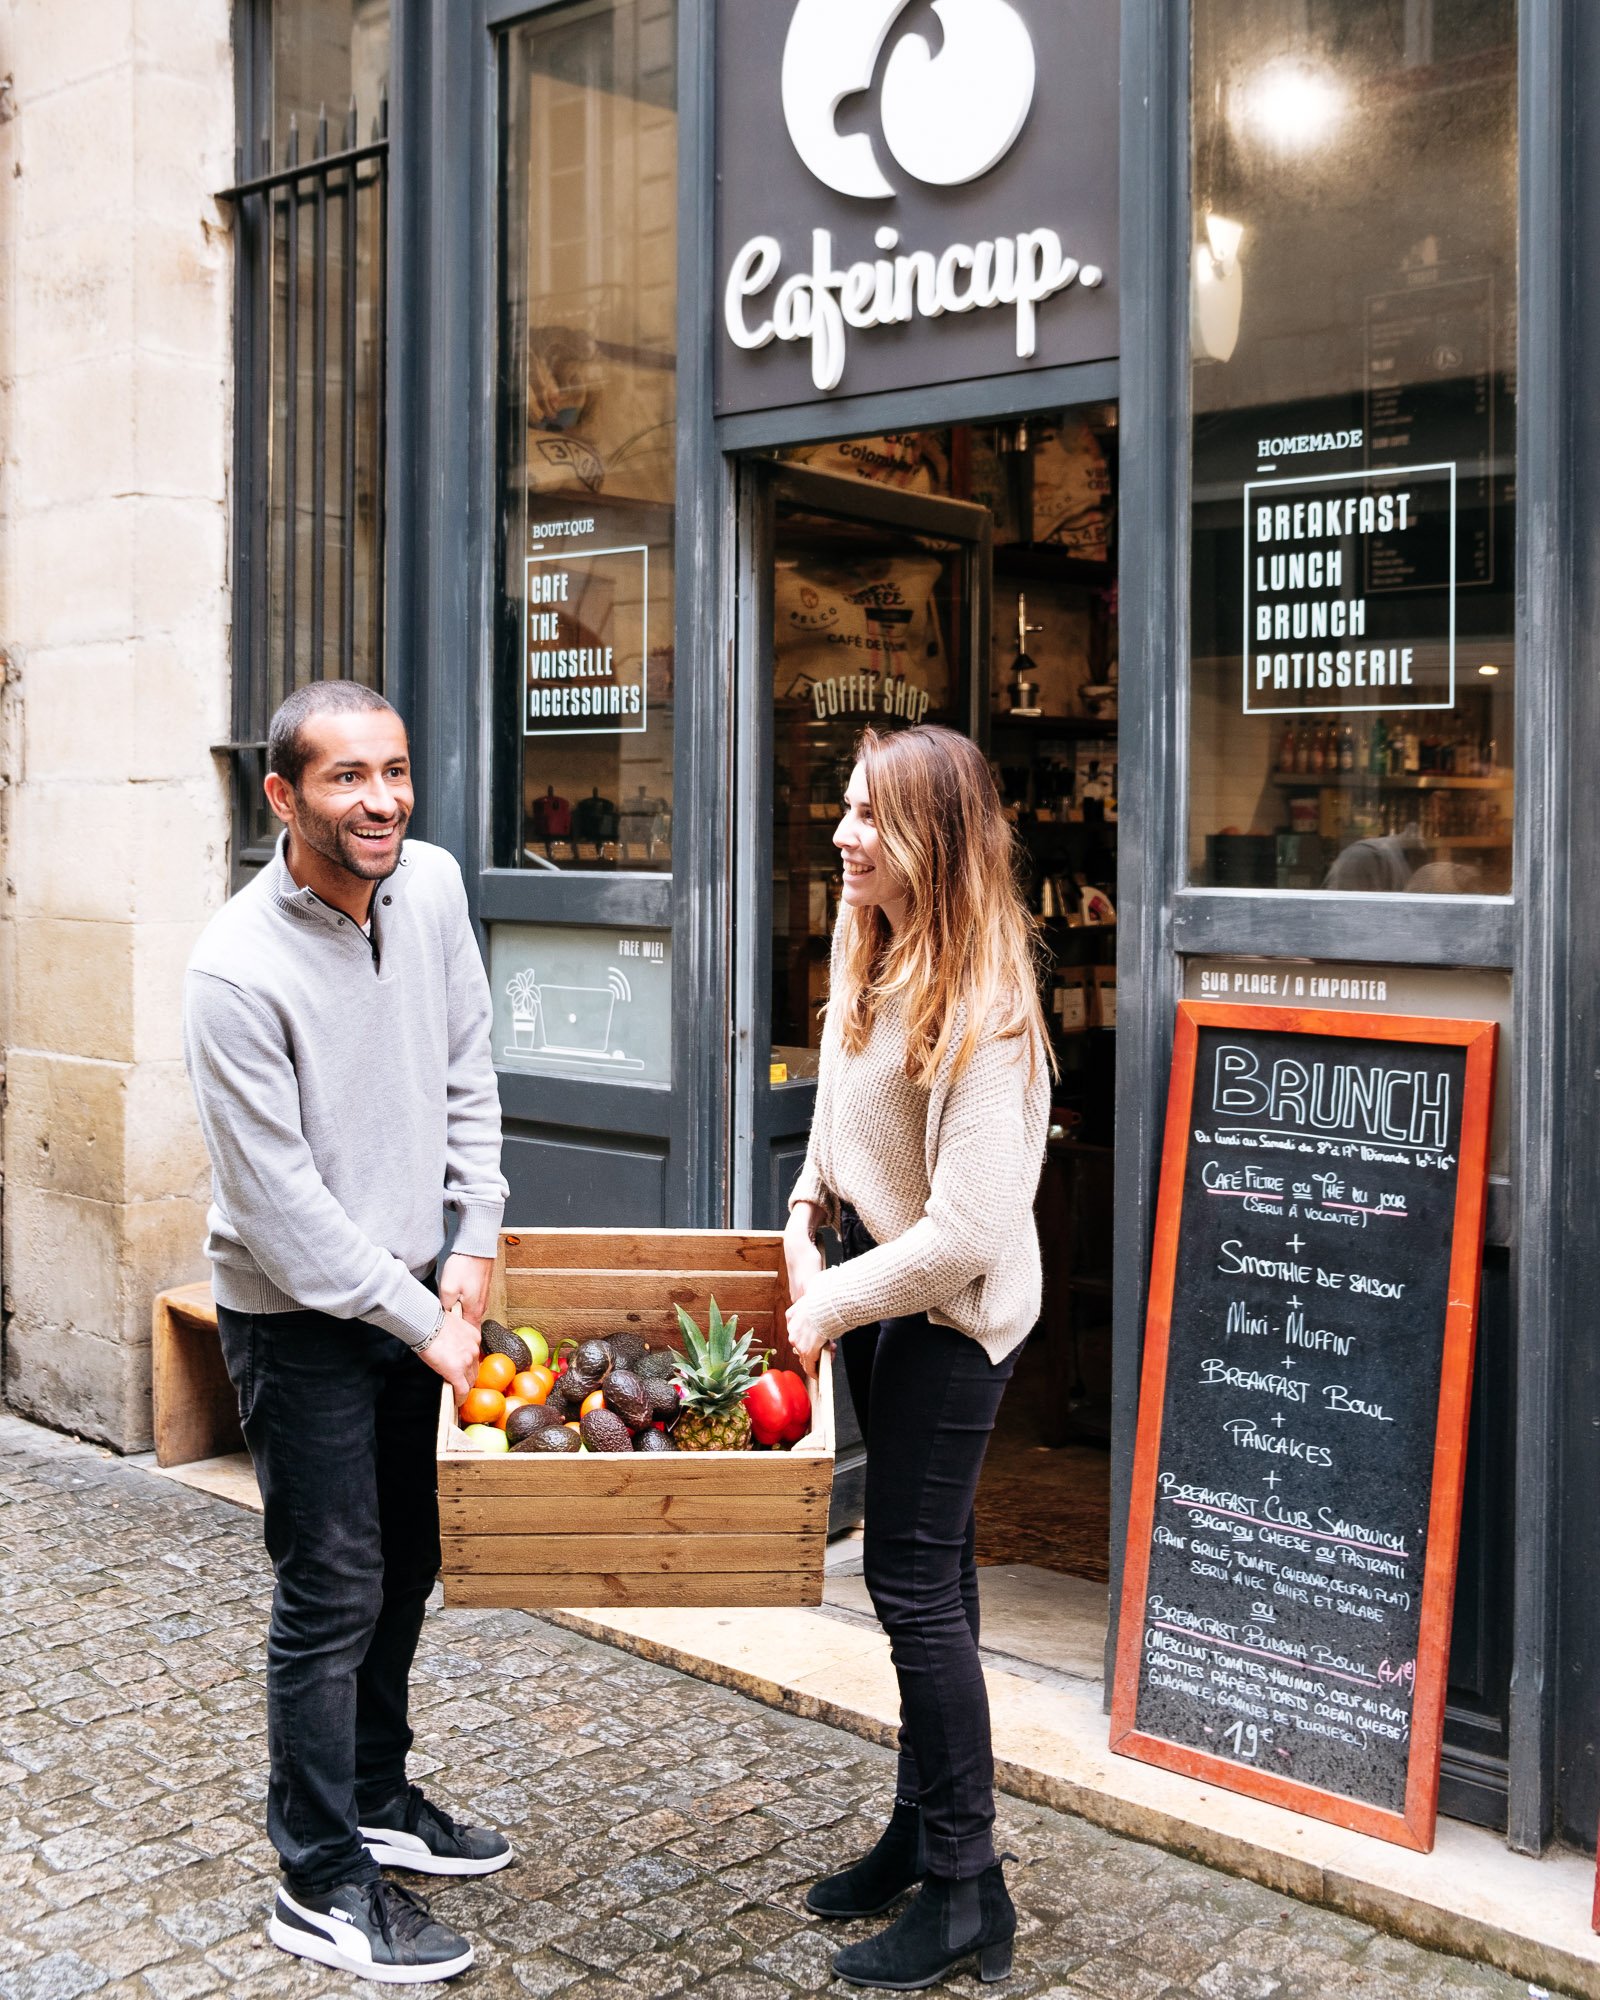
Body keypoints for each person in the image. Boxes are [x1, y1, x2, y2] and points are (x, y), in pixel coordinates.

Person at [183, 683, 511, 1984]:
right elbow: (280, 1215)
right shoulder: (235, 969)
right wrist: (423, 1317)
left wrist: (474, 1237)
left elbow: (468, 1067)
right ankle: (319, 1881)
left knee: (407, 1562)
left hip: (418, 1299)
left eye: (395, 771)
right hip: (300, 1322)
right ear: (281, 798)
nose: (380, 800)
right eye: (344, 779)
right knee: (329, 1593)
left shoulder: (428, 888)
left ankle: (380, 1796)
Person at [782, 724, 1052, 1991]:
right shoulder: (874, 934)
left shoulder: (985, 1004)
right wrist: (804, 1199)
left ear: (932, 840)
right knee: (931, 1577)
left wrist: (828, 1301)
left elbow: (968, 1231)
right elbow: (844, 1097)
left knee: (908, 1583)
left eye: (872, 818)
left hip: (952, 1316)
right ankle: (922, 1824)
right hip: (893, 1296)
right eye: (844, 807)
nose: (844, 834)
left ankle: (965, 1890)